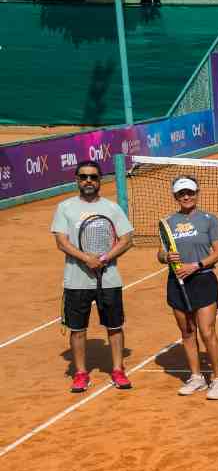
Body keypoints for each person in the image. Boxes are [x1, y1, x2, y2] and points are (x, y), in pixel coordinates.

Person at [51, 160, 134, 392]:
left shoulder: (112, 208)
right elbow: (61, 241)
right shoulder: (65, 208)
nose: (89, 181)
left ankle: (118, 370)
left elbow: (126, 239)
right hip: (76, 281)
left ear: (99, 180)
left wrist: (105, 258)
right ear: (77, 180)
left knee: (115, 326)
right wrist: (86, 258)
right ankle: (80, 373)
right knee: (78, 330)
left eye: (93, 177)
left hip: (109, 279)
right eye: (84, 177)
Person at [158, 175, 218, 400]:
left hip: (203, 280)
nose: (186, 196)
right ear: (175, 197)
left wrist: (195, 266)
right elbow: (160, 253)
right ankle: (196, 377)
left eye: (190, 192)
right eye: (181, 193)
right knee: (187, 332)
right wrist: (166, 256)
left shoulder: (209, 220)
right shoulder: (168, 222)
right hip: (176, 282)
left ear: (196, 193)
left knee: (207, 332)